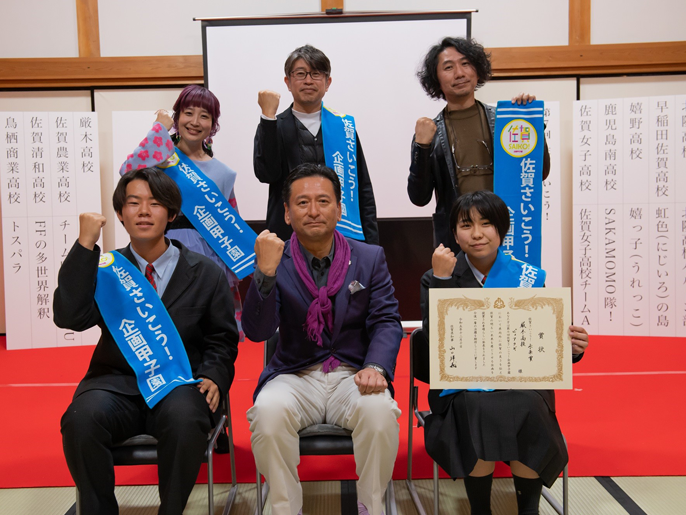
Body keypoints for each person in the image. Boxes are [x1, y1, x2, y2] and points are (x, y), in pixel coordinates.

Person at [57, 168, 239, 515]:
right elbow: (69, 317)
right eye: (134, 203)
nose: (143, 211)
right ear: (121, 213)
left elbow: (223, 339)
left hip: (179, 383)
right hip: (116, 384)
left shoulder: (205, 272)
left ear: (171, 213)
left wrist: (214, 374)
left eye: (155, 203)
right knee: (80, 419)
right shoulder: (106, 269)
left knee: (186, 420)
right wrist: (84, 247)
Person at [243, 163, 401, 515]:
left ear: (339, 208)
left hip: (353, 374)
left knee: (380, 414)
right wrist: (265, 273)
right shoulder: (276, 259)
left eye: (323, 201)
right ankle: (285, 509)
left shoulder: (369, 258)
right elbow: (257, 331)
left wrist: (376, 366)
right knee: (267, 414)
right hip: (295, 374)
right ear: (286, 212)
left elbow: (386, 320)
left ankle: (371, 507)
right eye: (302, 202)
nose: (313, 211)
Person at [420, 191, 589, 515]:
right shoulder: (437, 276)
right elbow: (433, 345)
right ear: (454, 232)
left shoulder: (527, 277)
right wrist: (442, 281)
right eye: (466, 225)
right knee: (476, 407)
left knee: (527, 405)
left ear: (502, 229)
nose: (477, 233)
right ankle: (480, 509)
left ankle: (529, 508)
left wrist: (572, 349)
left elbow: (539, 342)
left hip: (519, 383)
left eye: (487, 224)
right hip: (462, 388)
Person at [119, 84, 245, 339]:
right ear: (177, 117)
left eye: (205, 116)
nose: (195, 122)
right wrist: (159, 127)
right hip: (164, 247)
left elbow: (232, 225)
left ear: (214, 124)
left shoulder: (224, 173)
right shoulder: (161, 160)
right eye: (188, 113)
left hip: (210, 255)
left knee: (205, 328)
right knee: (164, 325)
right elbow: (127, 169)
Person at [408, 37, 550, 255]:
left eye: (466, 64)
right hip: (459, 243)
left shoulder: (505, 122)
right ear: (436, 78)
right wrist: (422, 147)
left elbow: (539, 172)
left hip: (507, 237)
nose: (460, 73)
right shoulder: (429, 133)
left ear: (477, 69)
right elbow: (419, 198)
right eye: (448, 67)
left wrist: (530, 124)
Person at [254, 44, 379, 244]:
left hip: (341, 236)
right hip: (288, 237)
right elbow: (266, 174)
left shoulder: (343, 127)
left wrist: (371, 243)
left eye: (316, 74)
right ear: (288, 81)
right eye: (301, 74)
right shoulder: (274, 126)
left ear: (328, 82)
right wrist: (268, 119)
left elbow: (362, 188)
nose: (309, 81)